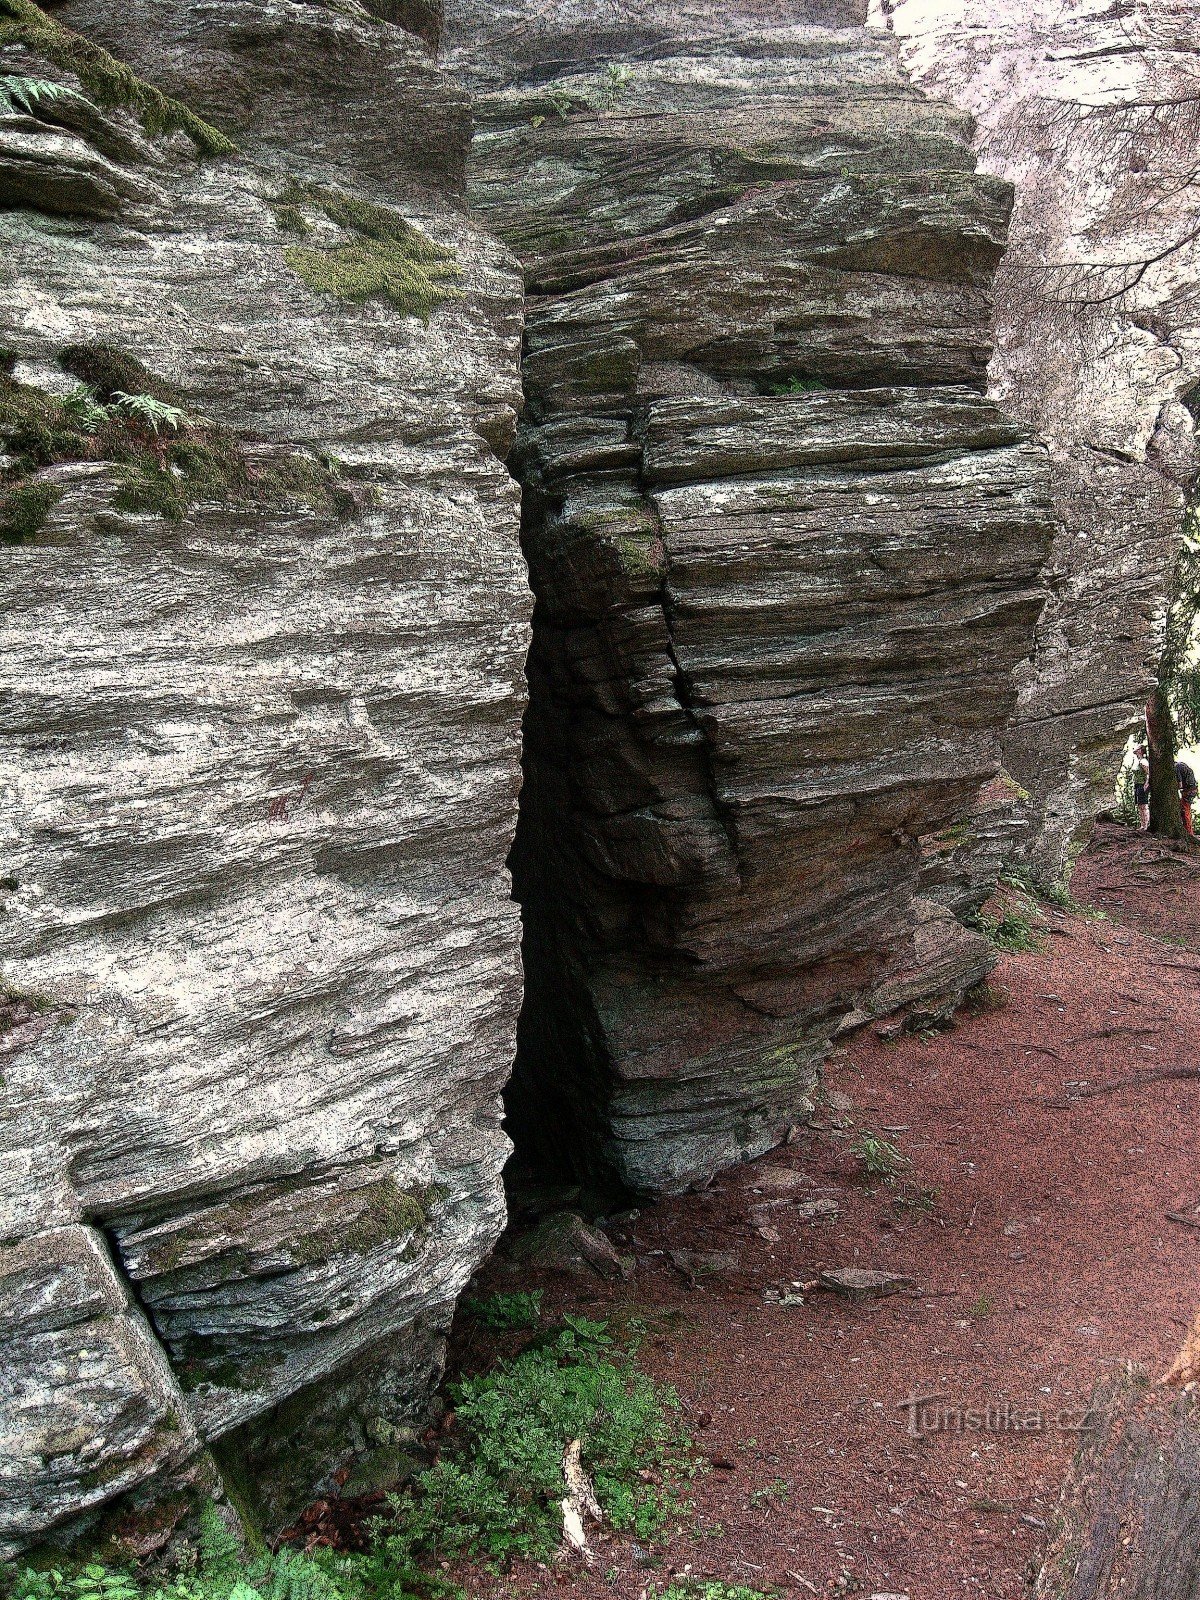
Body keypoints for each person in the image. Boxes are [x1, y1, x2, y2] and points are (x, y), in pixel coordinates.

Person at [1177, 757, 1198, 838]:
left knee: (1185, 811)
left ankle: (1189, 832)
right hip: (1193, 789)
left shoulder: (1176, 768)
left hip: (1189, 791)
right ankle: (1188, 830)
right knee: (1184, 809)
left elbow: (1180, 785)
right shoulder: (1182, 765)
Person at [1133, 742, 1150, 831]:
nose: (1135, 749)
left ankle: (1145, 825)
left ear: (1140, 750)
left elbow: (1148, 773)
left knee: (1143, 805)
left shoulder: (1143, 761)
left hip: (1142, 785)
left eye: (1137, 748)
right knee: (1140, 805)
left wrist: (1146, 784)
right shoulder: (1139, 761)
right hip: (1137, 785)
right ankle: (1142, 825)